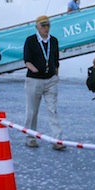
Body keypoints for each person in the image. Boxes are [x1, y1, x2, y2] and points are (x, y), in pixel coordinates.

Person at [23, 15, 65, 150]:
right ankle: (30, 137)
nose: (46, 28)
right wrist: (35, 71)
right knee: (32, 111)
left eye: (47, 25)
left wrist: (56, 75)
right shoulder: (30, 41)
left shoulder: (54, 41)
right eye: (43, 26)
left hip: (50, 80)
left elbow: (56, 59)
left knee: (53, 110)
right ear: (37, 27)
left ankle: (57, 139)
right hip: (34, 81)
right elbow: (27, 60)